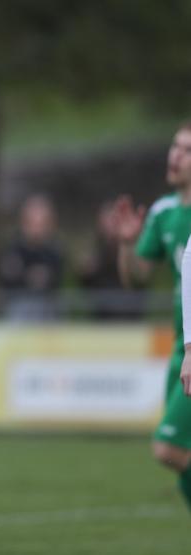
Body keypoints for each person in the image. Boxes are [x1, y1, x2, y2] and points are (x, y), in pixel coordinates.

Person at [116, 121, 191, 514]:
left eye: (187, 150)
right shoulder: (163, 213)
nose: (175, 156)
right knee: (181, 460)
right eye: (175, 146)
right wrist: (127, 245)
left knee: (169, 448)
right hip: (182, 348)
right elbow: (137, 278)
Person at [0, 194, 63, 321]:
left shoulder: (55, 249)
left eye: (41, 223)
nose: (37, 228)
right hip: (18, 306)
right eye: (32, 222)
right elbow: (8, 277)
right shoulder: (13, 247)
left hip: (47, 308)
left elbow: (54, 279)